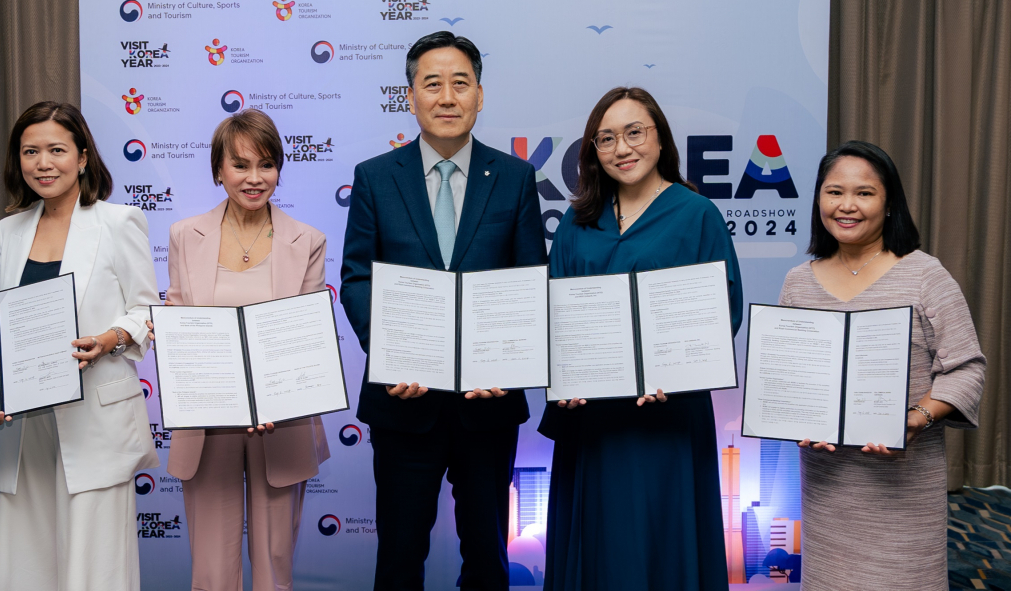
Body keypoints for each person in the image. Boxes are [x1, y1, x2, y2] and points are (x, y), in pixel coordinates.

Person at [340, 31, 547, 591]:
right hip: (403, 403)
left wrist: (509, 366)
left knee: (486, 555)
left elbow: (531, 284)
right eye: (433, 84)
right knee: (401, 555)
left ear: (481, 95)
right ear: (411, 96)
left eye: (461, 83)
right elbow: (357, 278)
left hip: (490, 407)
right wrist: (390, 354)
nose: (448, 97)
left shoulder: (515, 178)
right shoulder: (376, 178)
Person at [538, 86, 741, 591]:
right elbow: (553, 314)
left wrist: (678, 371)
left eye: (634, 133)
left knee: (661, 542)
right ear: (592, 151)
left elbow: (723, 310)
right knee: (598, 549)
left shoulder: (696, 215)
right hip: (594, 421)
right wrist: (562, 374)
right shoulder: (576, 223)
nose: (621, 149)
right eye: (606, 139)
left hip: (667, 418)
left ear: (660, 138)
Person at [782, 140, 984, 590]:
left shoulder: (925, 275)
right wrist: (795, 416)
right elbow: (790, 374)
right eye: (834, 192)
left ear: (889, 202)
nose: (846, 205)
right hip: (828, 484)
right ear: (818, 200)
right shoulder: (798, 282)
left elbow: (967, 368)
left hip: (902, 489)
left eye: (864, 193)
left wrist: (915, 420)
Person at [0, 101, 160, 591]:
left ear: (82, 157)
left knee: (95, 565)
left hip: (95, 421)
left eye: (56, 150)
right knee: (29, 562)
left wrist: (108, 340)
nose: (43, 163)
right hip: (26, 426)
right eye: (30, 151)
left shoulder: (118, 221)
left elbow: (148, 311)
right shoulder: (10, 230)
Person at [159, 107, 330, 591]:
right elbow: (179, 316)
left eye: (267, 164)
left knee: (275, 563)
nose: (255, 179)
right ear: (218, 170)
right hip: (208, 419)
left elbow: (306, 337)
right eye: (241, 165)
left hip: (283, 419)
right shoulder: (183, 235)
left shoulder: (308, 240)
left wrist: (277, 396)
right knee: (211, 568)